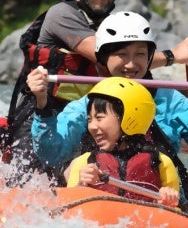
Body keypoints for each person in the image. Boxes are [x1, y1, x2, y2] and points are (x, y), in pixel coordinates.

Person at [0, 0, 188, 182]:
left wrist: (168, 134)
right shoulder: (61, 14)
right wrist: (173, 56)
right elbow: (104, 58)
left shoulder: (117, 27)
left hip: (94, 117)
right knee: (34, 180)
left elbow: (134, 79)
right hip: (46, 112)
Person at [29, 10, 188, 203]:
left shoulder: (170, 101)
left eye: (140, 54)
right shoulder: (89, 104)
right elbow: (51, 153)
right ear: (104, 58)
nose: (131, 64)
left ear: (150, 57)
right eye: (121, 55)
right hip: (99, 203)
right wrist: (42, 104)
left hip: (161, 207)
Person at [64, 77, 180, 207]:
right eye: (90, 119)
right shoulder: (84, 163)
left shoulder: (162, 163)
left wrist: (168, 199)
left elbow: (176, 214)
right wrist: (81, 184)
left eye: (99, 118)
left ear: (129, 118)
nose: (91, 126)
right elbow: (70, 210)